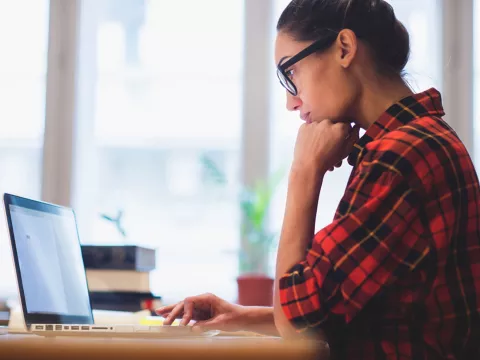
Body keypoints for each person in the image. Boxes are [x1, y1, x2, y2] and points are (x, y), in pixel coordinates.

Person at [156, 0, 480, 358]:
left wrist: (304, 173)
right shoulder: (418, 139)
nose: (290, 102)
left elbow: (298, 328)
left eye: (290, 72)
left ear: (344, 48)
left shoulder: (399, 156)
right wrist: (240, 316)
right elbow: (347, 314)